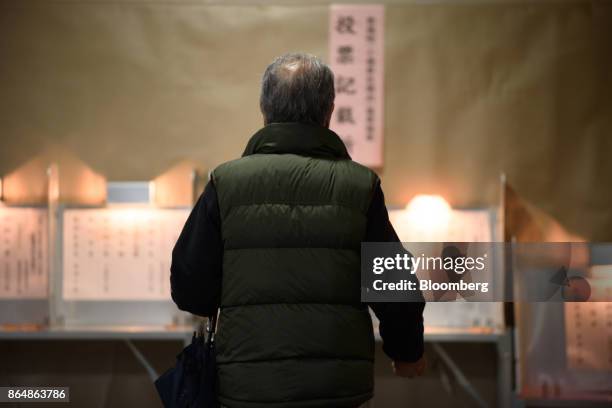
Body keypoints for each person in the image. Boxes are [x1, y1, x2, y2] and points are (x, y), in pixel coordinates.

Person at [171, 52, 426, 408]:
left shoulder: (225, 183)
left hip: (247, 387)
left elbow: (190, 287)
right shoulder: (360, 186)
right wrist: (407, 352)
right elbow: (396, 287)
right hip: (337, 389)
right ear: (329, 111)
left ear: (264, 110)